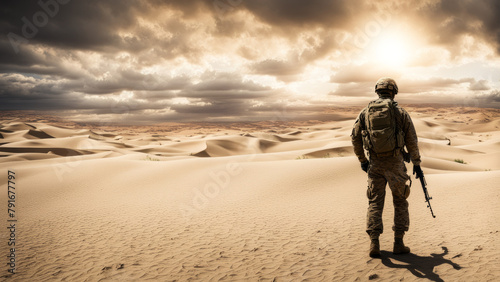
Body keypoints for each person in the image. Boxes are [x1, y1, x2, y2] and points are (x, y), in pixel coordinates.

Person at [351, 77, 423, 258]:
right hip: (396, 164)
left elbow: (354, 137)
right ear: (394, 92)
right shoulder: (400, 112)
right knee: (400, 201)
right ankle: (398, 243)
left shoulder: (365, 112)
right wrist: (416, 163)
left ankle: (374, 243)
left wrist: (362, 160)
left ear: (377, 91)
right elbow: (411, 140)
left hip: (374, 164)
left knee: (375, 202)